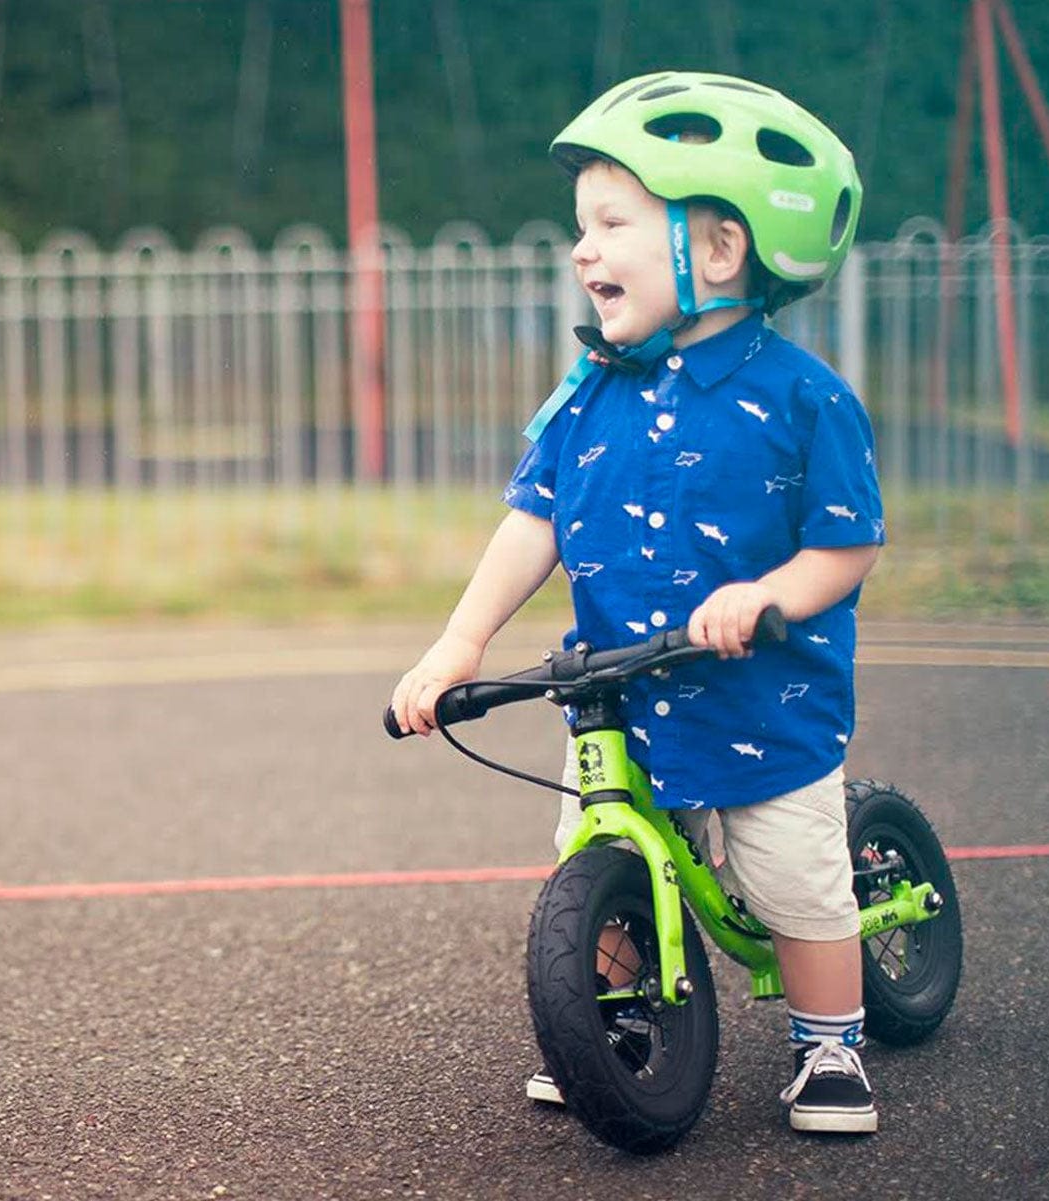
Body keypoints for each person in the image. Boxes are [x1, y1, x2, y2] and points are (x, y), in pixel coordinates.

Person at [390, 71, 884, 1135]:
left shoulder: (805, 398)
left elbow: (846, 549)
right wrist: (457, 643)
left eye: (613, 223)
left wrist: (763, 596)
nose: (583, 250)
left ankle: (831, 1042)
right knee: (597, 858)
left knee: (798, 881)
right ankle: (610, 1032)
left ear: (720, 250)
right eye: (584, 226)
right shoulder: (587, 394)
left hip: (760, 708)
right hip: (615, 699)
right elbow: (534, 523)